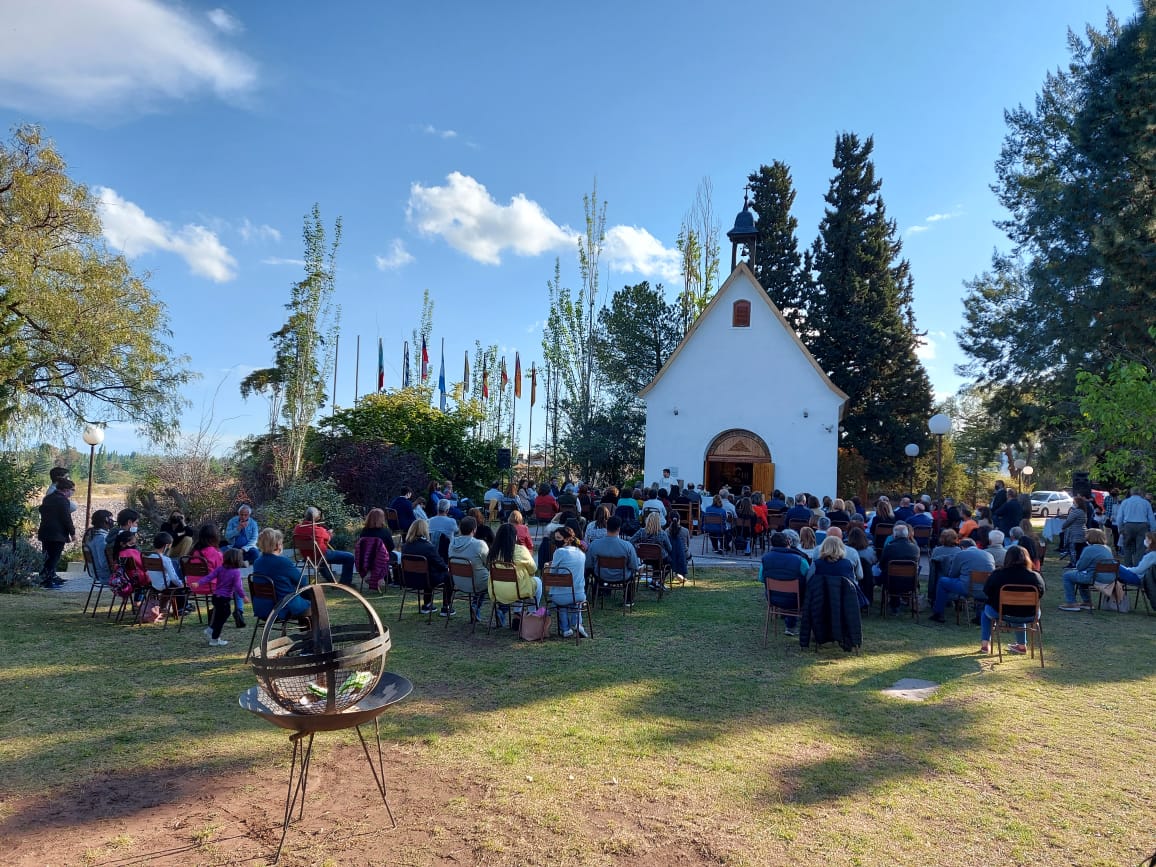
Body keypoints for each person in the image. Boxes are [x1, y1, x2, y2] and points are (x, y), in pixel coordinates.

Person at [979, 545, 1045, 655]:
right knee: (1019, 610)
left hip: (1001, 613)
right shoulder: (1035, 577)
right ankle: (1021, 645)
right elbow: (1041, 594)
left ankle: (985, 644)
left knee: (985, 611)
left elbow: (987, 591)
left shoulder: (998, 574)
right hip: (1030, 614)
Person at [251, 528, 311, 625]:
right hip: (282, 607)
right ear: (277, 545)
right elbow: (302, 581)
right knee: (314, 598)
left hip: (262, 607)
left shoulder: (258, 562)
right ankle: (313, 636)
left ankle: (308, 634)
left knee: (301, 596)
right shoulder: (282, 562)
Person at [487, 522, 541, 626]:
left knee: (519, 581)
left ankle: (517, 614)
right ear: (515, 536)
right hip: (518, 590)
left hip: (496, 590)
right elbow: (533, 569)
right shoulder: (521, 550)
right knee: (536, 582)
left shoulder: (493, 551)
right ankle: (531, 613)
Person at [929, 538, 994, 623]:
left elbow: (952, 574)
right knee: (978, 586)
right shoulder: (989, 555)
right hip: (986, 590)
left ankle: (938, 613)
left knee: (943, 581)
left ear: (963, 547)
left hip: (967, 588)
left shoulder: (961, 554)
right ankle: (979, 617)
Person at [760, 532, 809, 636]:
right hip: (797, 600)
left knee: (789, 590)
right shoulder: (800, 560)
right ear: (788, 542)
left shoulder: (765, 558)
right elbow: (809, 579)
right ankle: (792, 627)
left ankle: (790, 625)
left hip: (772, 598)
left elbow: (761, 578)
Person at [587, 516, 642, 607]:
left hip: (601, 575)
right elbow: (634, 566)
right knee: (632, 572)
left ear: (606, 527)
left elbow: (588, 564)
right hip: (622, 576)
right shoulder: (627, 546)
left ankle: (598, 592)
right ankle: (628, 599)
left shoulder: (594, 544)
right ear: (619, 529)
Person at [401, 519, 453, 616]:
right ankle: (446, 607)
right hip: (426, 580)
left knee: (428, 571)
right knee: (448, 576)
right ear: (425, 530)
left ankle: (427, 604)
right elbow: (439, 564)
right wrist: (447, 568)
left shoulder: (405, 546)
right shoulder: (428, 547)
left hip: (409, 579)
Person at [292, 507, 356, 586]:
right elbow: (328, 538)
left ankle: (332, 583)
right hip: (320, 555)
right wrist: (329, 533)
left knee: (320, 560)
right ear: (316, 517)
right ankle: (345, 583)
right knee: (349, 557)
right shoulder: (319, 530)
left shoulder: (297, 528)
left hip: (307, 557)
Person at [544, 525, 587, 637]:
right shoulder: (581, 553)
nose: (556, 541)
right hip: (579, 594)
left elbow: (552, 573)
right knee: (574, 602)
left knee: (562, 602)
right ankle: (577, 623)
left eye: (558, 538)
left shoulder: (559, 552)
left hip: (561, 596)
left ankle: (565, 629)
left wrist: (549, 565)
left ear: (567, 539)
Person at [1058, 527, 1116, 611]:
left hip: (1095, 577)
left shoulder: (1089, 549)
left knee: (1067, 575)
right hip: (1109, 578)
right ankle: (1087, 602)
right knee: (1081, 576)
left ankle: (1071, 603)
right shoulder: (1107, 549)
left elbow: (1080, 566)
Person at [202, 548, 247, 646]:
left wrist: (199, 583)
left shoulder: (220, 568)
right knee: (222, 618)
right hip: (224, 598)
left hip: (216, 596)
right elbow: (238, 587)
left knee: (220, 616)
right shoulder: (236, 572)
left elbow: (209, 577)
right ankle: (214, 638)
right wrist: (243, 596)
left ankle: (211, 630)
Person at [448, 516, 490, 622]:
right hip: (476, 583)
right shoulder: (479, 544)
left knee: (481, 576)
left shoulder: (452, 544)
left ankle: (476, 606)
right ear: (474, 530)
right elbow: (488, 563)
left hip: (458, 581)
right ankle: (499, 610)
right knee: (490, 578)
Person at [36, 478, 76, 587]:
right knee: (54, 557)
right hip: (57, 533)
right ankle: (48, 580)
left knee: (47, 556)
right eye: (72, 490)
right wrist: (72, 533)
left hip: (45, 531)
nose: (72, 493)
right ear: (66, 490)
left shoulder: (48, 498)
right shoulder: (63, 501)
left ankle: (45, 577)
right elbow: (66, 518)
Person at [878, 524, 921, 614]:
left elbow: (881, 565)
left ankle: (894, 605)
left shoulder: (889, 547)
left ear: (895, 535)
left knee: (889, 574)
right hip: (911, 582)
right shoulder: (915, 548)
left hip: (891, 582)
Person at [151, 532, 193, 617]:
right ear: (166, 545)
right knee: (181, 585)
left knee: (178, 582)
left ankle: (170, 607)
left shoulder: (148, 557)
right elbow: (173, 578)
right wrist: (181, 584)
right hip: (165, 585)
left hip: (154, 585)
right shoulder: (165, 559)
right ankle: (181, 608)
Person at [356, 509, 397, 591]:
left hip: (367, 559)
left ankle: (383, 577)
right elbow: (391, 547)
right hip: (381, 559)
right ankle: (396, 581)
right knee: (397, 557)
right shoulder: (385, 531)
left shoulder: (364, 531)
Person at [1115, 487, 1156, 567]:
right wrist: (1153, 530)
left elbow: (1119, 517)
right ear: (1140, 493)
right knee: (1140, 549)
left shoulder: (1125, 502)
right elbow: (1151, 517)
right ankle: (1138, 568)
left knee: (1127, 548)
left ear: (1131, 493)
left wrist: (1120, 528)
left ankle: (1128, 567)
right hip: (1142, 526)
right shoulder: (1145, 503)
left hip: (1128, 525)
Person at [83, 509, 114, 587]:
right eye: (111, 519)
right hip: (104, 575)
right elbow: (103, 563)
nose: (113, 522)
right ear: (106, 520)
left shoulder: (90, 535)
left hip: (95, 573)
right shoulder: (102, 538)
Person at [1060, 497, 1088, 566]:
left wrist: (1063, 526)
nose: (1073, 504)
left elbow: (1068, 521)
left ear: (1078, 503)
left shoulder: (1075, 511)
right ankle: (1079, 563)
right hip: (1082, 532)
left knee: (1073, 549)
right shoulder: (1083, 511)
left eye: (1074, 502)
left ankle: (1073, 563)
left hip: (1074, 533)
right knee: (1080, 550)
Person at [666, 511, 690, 582]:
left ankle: (677, 573)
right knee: (685, 553)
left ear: (669, 520)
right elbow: (688, 544)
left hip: (671, 554)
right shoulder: (685, 531)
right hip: (684, 554)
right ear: (679, 520)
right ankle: (681, 573)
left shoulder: (667, 531)